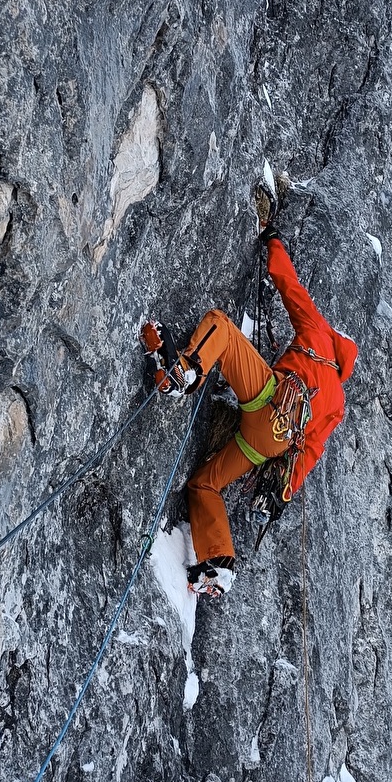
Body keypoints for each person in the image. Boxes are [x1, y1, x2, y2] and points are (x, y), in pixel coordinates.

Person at [143, 230, 357, 598]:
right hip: (267, 447)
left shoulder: (321, 336)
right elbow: (311, 451)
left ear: (338, 344)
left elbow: (290, 288)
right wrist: (282, 493)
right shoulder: (337, 403)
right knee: (204, 484)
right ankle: (218, 561)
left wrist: (272, 241)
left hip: (268, 401)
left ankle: (187, 372)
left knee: (222, 328)